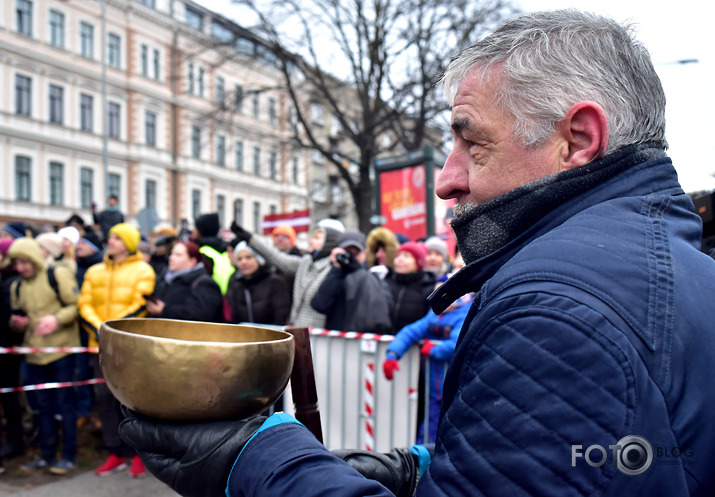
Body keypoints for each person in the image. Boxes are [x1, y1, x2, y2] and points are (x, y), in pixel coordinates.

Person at [119, 10, 715, 496]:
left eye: (471, 140)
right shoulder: (674, 263)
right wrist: (425, 470)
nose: (446, 179)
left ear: (577, 140)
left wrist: (262, 460)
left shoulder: (556, 308)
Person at [78, 223, 155, 478]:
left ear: (130, 243)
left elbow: (138, 306)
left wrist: (112, 331)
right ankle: (115, 452)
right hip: (97, 347)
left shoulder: (143, 270)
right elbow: (84, 304)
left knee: (132, 403)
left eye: (117, 238)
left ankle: (138, 453)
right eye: (110, 237)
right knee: (104, 399)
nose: (111, 241)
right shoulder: (94, 271)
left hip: (128, 348)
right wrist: (99, 330)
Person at [8, 238, 80, 475]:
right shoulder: (17, 286)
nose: (20, 267)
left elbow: (76, 306)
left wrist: (56, 319)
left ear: (34, 258)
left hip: (62, 352)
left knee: (65, 405)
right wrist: (18, 324)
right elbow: (20, 319)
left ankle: (69, 455)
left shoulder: (56, 275)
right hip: (34, 354)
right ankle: (46, 454)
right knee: (43, 407)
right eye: (16, 263)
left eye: (24, 262)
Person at [382, 275, 470, 443]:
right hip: (434, 388)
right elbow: (411, 332)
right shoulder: (434, 315)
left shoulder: (464, 315)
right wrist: (393, 354)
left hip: (456, 387)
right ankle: (424, 463)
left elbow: (458, 343)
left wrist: (434, 349)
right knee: (429, 430)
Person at [230, 218, 345, 328]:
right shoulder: (306, 263)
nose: (311, 241)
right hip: (299, 330)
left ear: (329, 242)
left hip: (321, 334)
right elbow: (277, 258)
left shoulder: (333, 268)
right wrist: (250, 239)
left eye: (317, 238)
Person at [310, 230, 393, 333]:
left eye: (355, 253)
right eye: (347, 252)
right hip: (336, 339)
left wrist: (356, 270)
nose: (351, 257)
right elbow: (319, 305)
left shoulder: (372, 277)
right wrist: (336, 269)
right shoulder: (334, 273)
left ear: (365, 254)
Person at [145, 241, 223, 323]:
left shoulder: (205, 284)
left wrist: (164, 311)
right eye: (172, 254)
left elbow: (200, 314)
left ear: (193, 261)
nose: (171, 258)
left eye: (178, 255)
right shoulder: (168, 279)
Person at [0, 239, 25, 464]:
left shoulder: (11, 282)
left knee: (9, 399)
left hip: (6, 349)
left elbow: (12, 315)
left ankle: (15, 442)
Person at [224, 242, 291, 326]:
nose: (243, 262)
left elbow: (281, 316)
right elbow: (232, 315)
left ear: (259, 259)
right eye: (239, 259)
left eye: (248, 257)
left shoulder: (275, 283)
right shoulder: (235, 283)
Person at [383, 241, 435, 334]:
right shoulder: (386, 283)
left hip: (413, 344)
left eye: (406, 256)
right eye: (398, 255)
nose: (400, 259)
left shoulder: (427, 288)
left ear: (418, 262)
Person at [192, 213, 235, 294]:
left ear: (201, 230)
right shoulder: (226, 250)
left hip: (213, 296)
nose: (193, 230)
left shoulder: (202, 252)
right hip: (228, 296)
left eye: (195, 227)